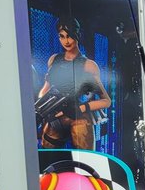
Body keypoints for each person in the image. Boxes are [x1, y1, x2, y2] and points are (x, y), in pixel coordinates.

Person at [35, 17, 111, 150]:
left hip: (79, 119)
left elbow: (106, 101)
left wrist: (79, 109)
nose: (66, 41)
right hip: (56, 117)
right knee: (49, 160)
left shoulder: (89, 65)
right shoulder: (54, 60)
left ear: (77, 35)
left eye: (69, 36)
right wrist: (44, 106)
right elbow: (45, 89)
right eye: (62, 36)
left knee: (85, 163)